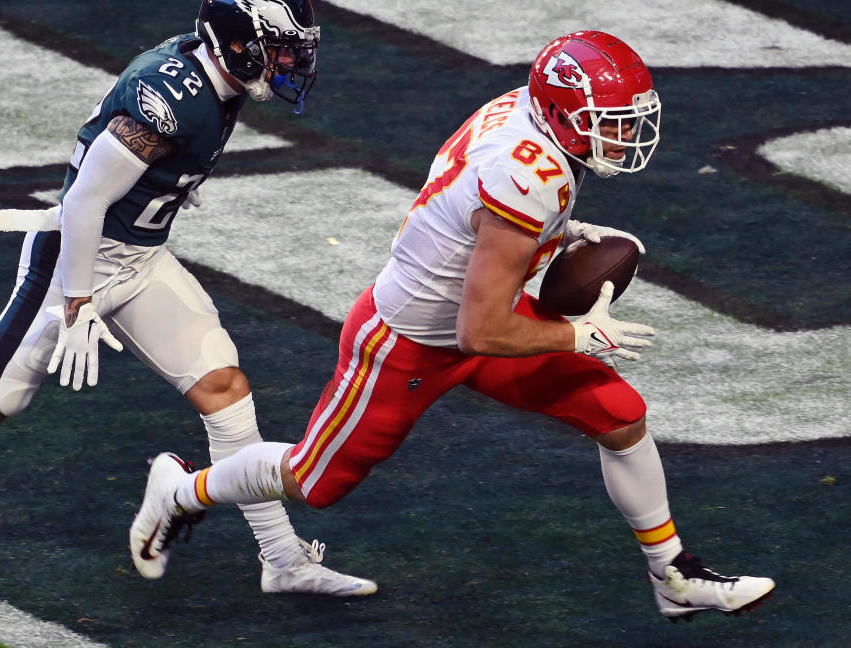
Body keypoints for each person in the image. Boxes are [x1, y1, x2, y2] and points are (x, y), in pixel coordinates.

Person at [129, 30, 776, 620]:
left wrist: (561, 234)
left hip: (476, 306)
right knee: (313, 481)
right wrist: (580, 334)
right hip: (408, 339)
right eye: (605, 121)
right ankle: (180, 490)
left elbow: (472, 219)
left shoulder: (525, 115)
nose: (621, 133)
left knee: (618, 412)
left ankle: (673, 576)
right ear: (558, 113)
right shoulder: (527, 172)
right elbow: (480, 333)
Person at [0, 0, 375, 597]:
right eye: (278, 47)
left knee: (224, 389)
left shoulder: (214, 80)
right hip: (76, 260)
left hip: (139, 258)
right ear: (241, 41)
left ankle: (281, 559)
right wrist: (78, 300)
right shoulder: (167, 100)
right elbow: (83, 204)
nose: (288, 61)